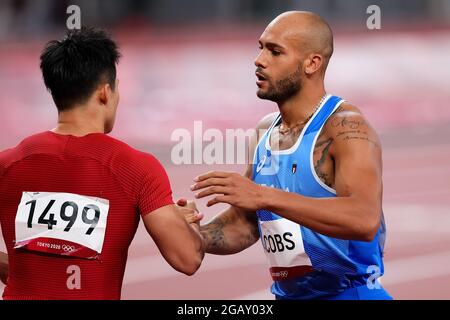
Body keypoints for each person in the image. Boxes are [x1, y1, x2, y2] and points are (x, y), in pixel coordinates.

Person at [185, 11, 391, 300]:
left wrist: (263, 196)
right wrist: (193, 232)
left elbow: (364, 219)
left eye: (275, 51)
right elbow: (244, 224)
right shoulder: (264, 131)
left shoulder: (344, 127)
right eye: (261, 48)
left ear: (312, 63)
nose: (259, 60)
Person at [0, 27, 204, 300]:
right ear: (105, 92)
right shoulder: (136, 167)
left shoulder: (9, 163)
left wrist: (18, 270)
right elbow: (187, 258)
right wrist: (191, 226)